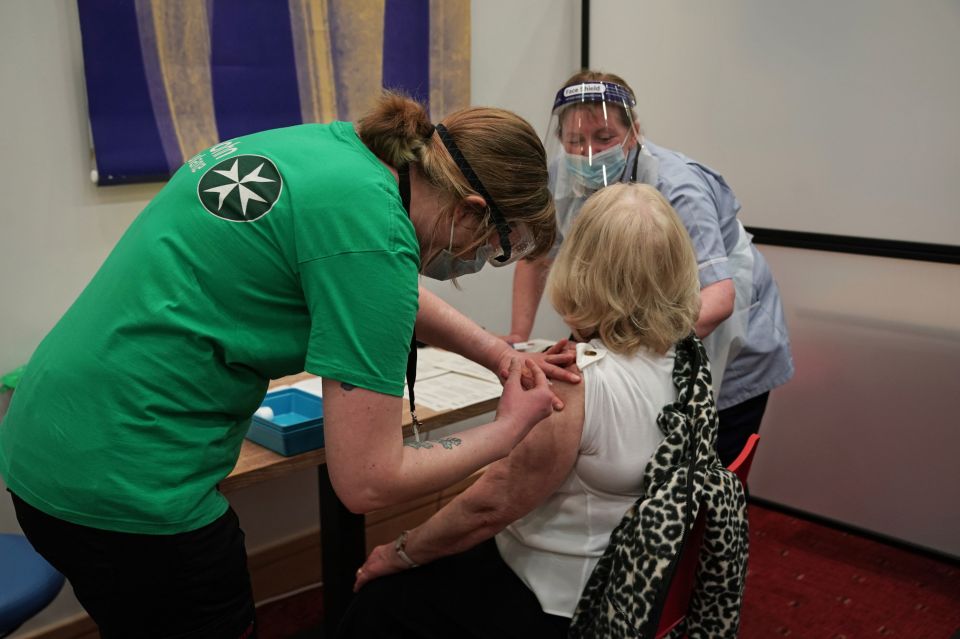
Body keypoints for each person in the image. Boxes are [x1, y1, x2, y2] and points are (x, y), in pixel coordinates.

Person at [0, 92, 582, 639]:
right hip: (126, 485)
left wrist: (498, 354)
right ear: (473, 210)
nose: (483, 261)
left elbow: (374, 278)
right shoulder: (373, 235)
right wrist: (509, 428)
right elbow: (368, 481)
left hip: (45, 443)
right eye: (498, 248)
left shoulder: (345, 155)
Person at [337, 182, 746, 638]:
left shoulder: (575, 384)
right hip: (641, 583)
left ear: (583, 268)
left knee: (379, 601)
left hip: (563, 601)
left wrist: (399, 551)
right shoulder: (690, 361)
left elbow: (491, 506)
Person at [505, 70, 794, 467]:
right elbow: (537, 257)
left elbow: (718, 298)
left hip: (726, 337)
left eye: (604, 138)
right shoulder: (562, 176)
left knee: (706, 472)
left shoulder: (679, 187)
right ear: (561, 142)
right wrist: (518, 339)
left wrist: (627, 355)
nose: (589, 153)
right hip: (642, 329)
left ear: (634, 131)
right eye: (575, 141)